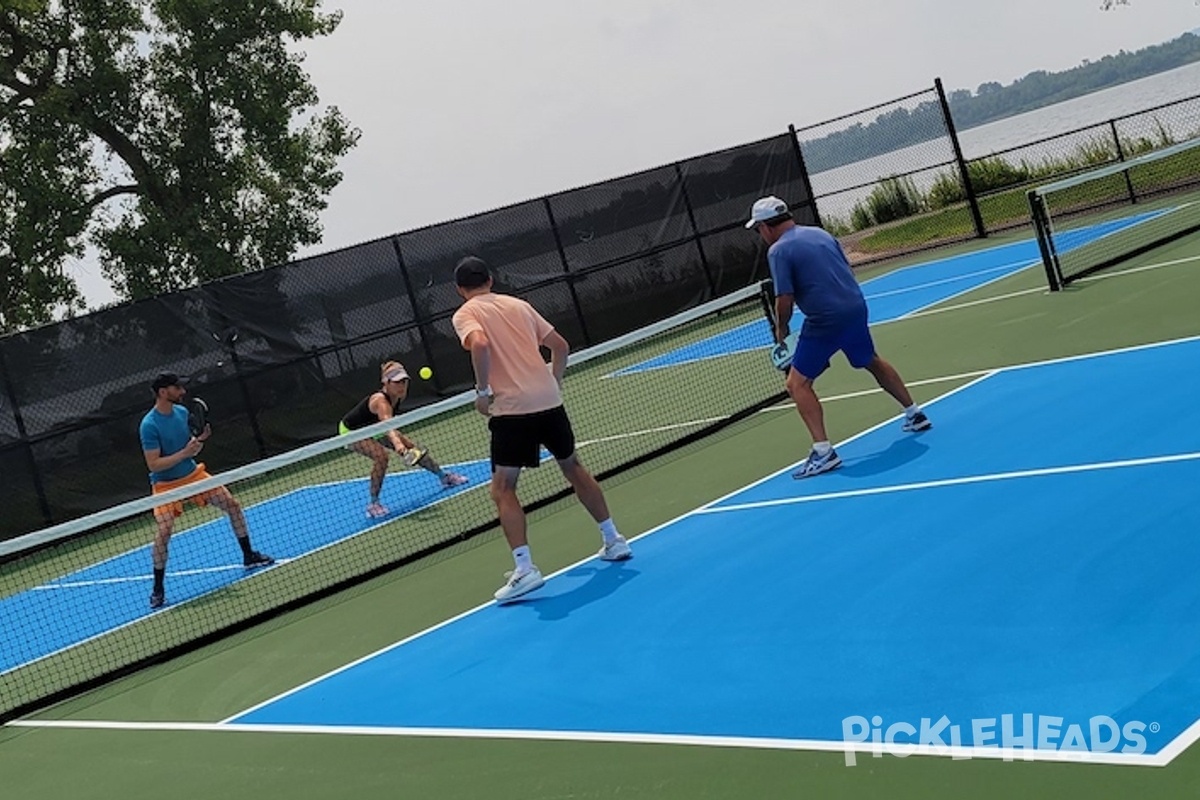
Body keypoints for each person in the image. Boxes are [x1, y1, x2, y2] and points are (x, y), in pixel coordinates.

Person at [451, 256, 632, 603]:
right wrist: (554, 381)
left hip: (512, 411)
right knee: (574, 467)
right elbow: (560, 346)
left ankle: (525, 569)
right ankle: (613, 539)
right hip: (549, 402)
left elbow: (481, 344)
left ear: (461, 290)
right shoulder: (519, 305)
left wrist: (482, 391)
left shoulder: (466, 314)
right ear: (490, 278)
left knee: (503, 488)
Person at [746, 196, 932, 478]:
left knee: (797, 384)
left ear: (765, 226)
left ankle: (823, 453)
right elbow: (842, 271)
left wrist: (780, 329)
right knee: (870, 360)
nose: (760, 235)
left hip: (824, 320)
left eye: (758, 229)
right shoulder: (821, 233)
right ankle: (915, 414)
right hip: (855, 307)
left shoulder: (778, 251)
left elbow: (785, 298)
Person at [140, 372, 273, 609]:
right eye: (177, 388)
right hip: (165, 485)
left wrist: (199, 441)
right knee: (165, 529)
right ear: (163, 392)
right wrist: (184, 453)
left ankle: (249, 555)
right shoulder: (149, 425)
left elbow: (192, 450)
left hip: (193, 475)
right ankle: (158, 589)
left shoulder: (181, 414)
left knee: (232, 505)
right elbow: (154, 464)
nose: (182, 392)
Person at [339, 360, 468, 519]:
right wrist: (398, 444)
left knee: (413, 448)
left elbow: (386, 425)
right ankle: (373, 504)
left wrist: (403, 445)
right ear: (386, 383)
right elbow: (388, 425)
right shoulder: (380, 401)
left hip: (374, 426)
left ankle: (444, 477)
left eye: (404, 381)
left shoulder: (398, 396)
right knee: (381, 456)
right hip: (352, 431)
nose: (402, 385)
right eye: (398, 382)